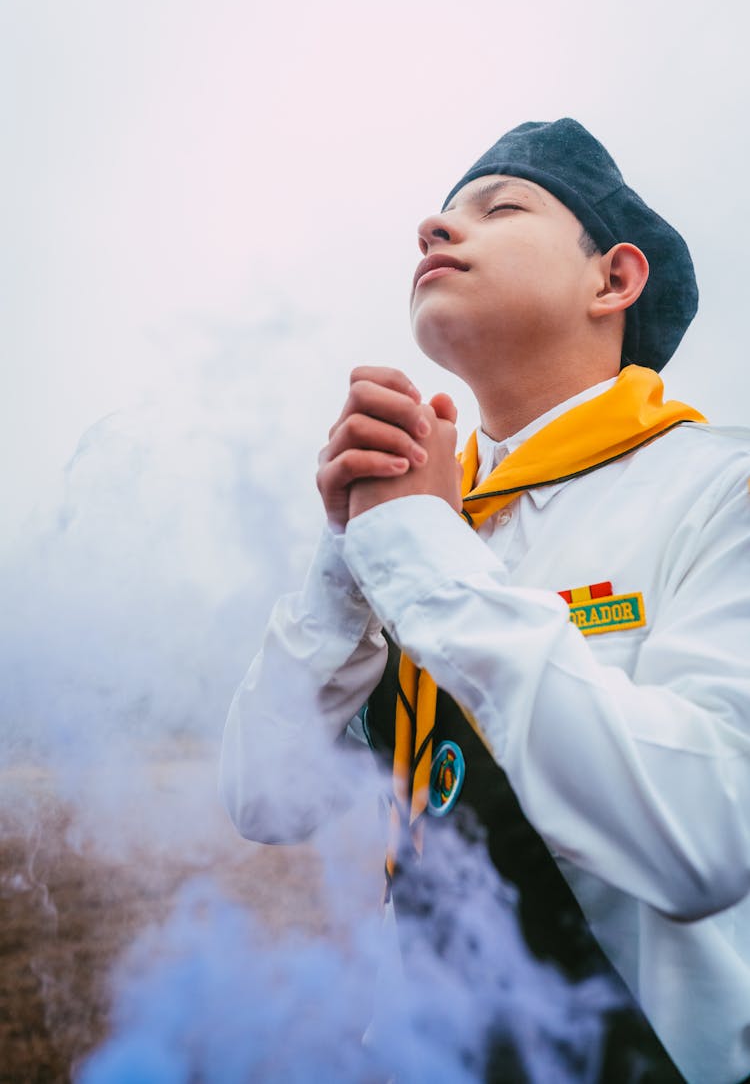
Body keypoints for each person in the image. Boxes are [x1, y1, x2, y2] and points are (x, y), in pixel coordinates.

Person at [220, 119, 750, 1083]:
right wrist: (346, 558)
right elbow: (264, 796)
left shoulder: (723, 489)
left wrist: (422, 552)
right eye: (437, 215)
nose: (433, 226)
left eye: (498, 208)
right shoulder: (424, 517)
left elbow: (704, 836)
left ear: (614, 279)